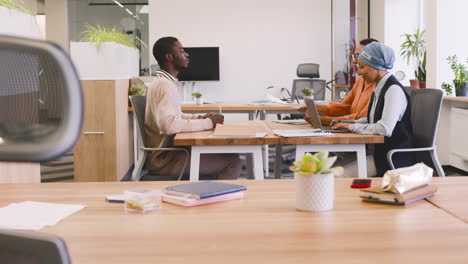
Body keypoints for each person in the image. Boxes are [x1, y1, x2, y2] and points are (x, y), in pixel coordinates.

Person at [144, 36, 241, 179]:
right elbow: (169, 126)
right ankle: (216, 198)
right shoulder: (164, 85)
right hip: (166, 161)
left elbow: (176, 116)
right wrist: (208, 123)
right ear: (169, 57)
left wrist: (200, 117)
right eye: (182, 51)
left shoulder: (162, 82)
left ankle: (211, 191)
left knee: (225, 155)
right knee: (233, 161)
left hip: (169, 155)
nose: (187, 54)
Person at [332, 42, 415, 176]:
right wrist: (348, 124)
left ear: (376, 66)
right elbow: (372, 119)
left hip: (391, 158)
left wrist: (352, 127)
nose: (359, 72)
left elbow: (384, 128)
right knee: (331, 167)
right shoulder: (378, 87)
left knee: (335, 175)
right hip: (378, 154)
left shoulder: (393, 90)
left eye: (362, 67)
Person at [298, 38, 379, 125]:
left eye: (359, 56)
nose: (355, 61)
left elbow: (362, 117)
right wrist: (315, 107)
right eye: (355, 56)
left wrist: (328, 121)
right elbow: (344, 108)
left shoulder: (380, 85)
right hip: (352, 130)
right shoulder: (360, 81)